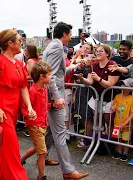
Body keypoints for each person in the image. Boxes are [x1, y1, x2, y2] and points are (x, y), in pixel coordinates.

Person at [0, 29, 36, 180]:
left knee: (2, 147)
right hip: (1, 110)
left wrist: (29, 107)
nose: (22, 42)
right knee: (12, 149)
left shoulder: (19, 63)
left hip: (12, 110)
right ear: (10, 43)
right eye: (19, 40)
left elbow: (24, 87)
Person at [43, 21, 88, 180]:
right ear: (63, 34)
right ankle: (68, 171)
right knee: (60, 133)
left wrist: (75, 65)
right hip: (55, 96)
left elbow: (59, 72)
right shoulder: (56, 47)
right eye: (69, 34)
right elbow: (52, 76)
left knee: (50, 132)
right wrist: (57, 98)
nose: (70, 37)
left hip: (51, 94)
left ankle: (43, 157)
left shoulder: (52, 46)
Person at [79, 45, 120, 136]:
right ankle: (98, 141)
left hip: (109, 99)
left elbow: (110, 84)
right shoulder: (94, 65)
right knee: (97, 121)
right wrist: (82, 79)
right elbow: (89, 81)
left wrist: (98, 79)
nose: (98, 53)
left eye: (101, 51)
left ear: (107, 54)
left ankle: (109, 143)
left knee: (109, 122)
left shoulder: (112, 65)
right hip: (96, 98)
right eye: (97, 51)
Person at [20, 61, 51, 180]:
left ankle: (21, 159)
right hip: (35, 125)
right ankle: (42, 176)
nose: (50, 77)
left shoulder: (44, 89)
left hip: (42, 123)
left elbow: (42, 105)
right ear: (42, 77)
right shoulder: (32, 91)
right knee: (42, 152)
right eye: (49, 75)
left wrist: (51, 105)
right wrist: (28, 114)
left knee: (37, 147)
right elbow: (24, 107)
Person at [111, 78, 133, 161]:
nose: (122, 86)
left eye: (125, 85)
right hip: (117, 122)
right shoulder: (117, 96)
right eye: (122, 84)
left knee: (126, 139)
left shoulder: (132, 99)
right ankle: (119, 151)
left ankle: (125, 153)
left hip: (127, 124)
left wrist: (126, 123)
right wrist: (113, 107)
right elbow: (112, 107)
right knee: (118, 138)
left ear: (130, 89)